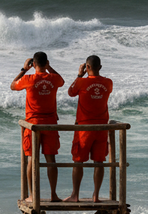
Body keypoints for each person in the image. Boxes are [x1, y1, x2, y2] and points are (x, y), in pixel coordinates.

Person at [10, 51, 65, 202]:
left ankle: (33, 195)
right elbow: (62, 81)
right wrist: (49, 68)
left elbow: (13, 86)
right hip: (50, 124)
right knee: (51, 160)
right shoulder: (53, 78)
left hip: (33, 125)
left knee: (31, 160)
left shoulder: (28, 79)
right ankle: (53, 195)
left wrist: (24, 69)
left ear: (33, 64)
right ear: (46, 63)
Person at [64, 55, 112, 203]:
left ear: (87, 67)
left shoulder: (82, 82)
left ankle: (75, 195)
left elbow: (71, 92)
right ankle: (96, 195)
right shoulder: (108, 82)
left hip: (84, 128)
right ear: (100, 67)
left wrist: (79, 75)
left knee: (78, 161)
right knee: (99, 162)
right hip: (102, 127)